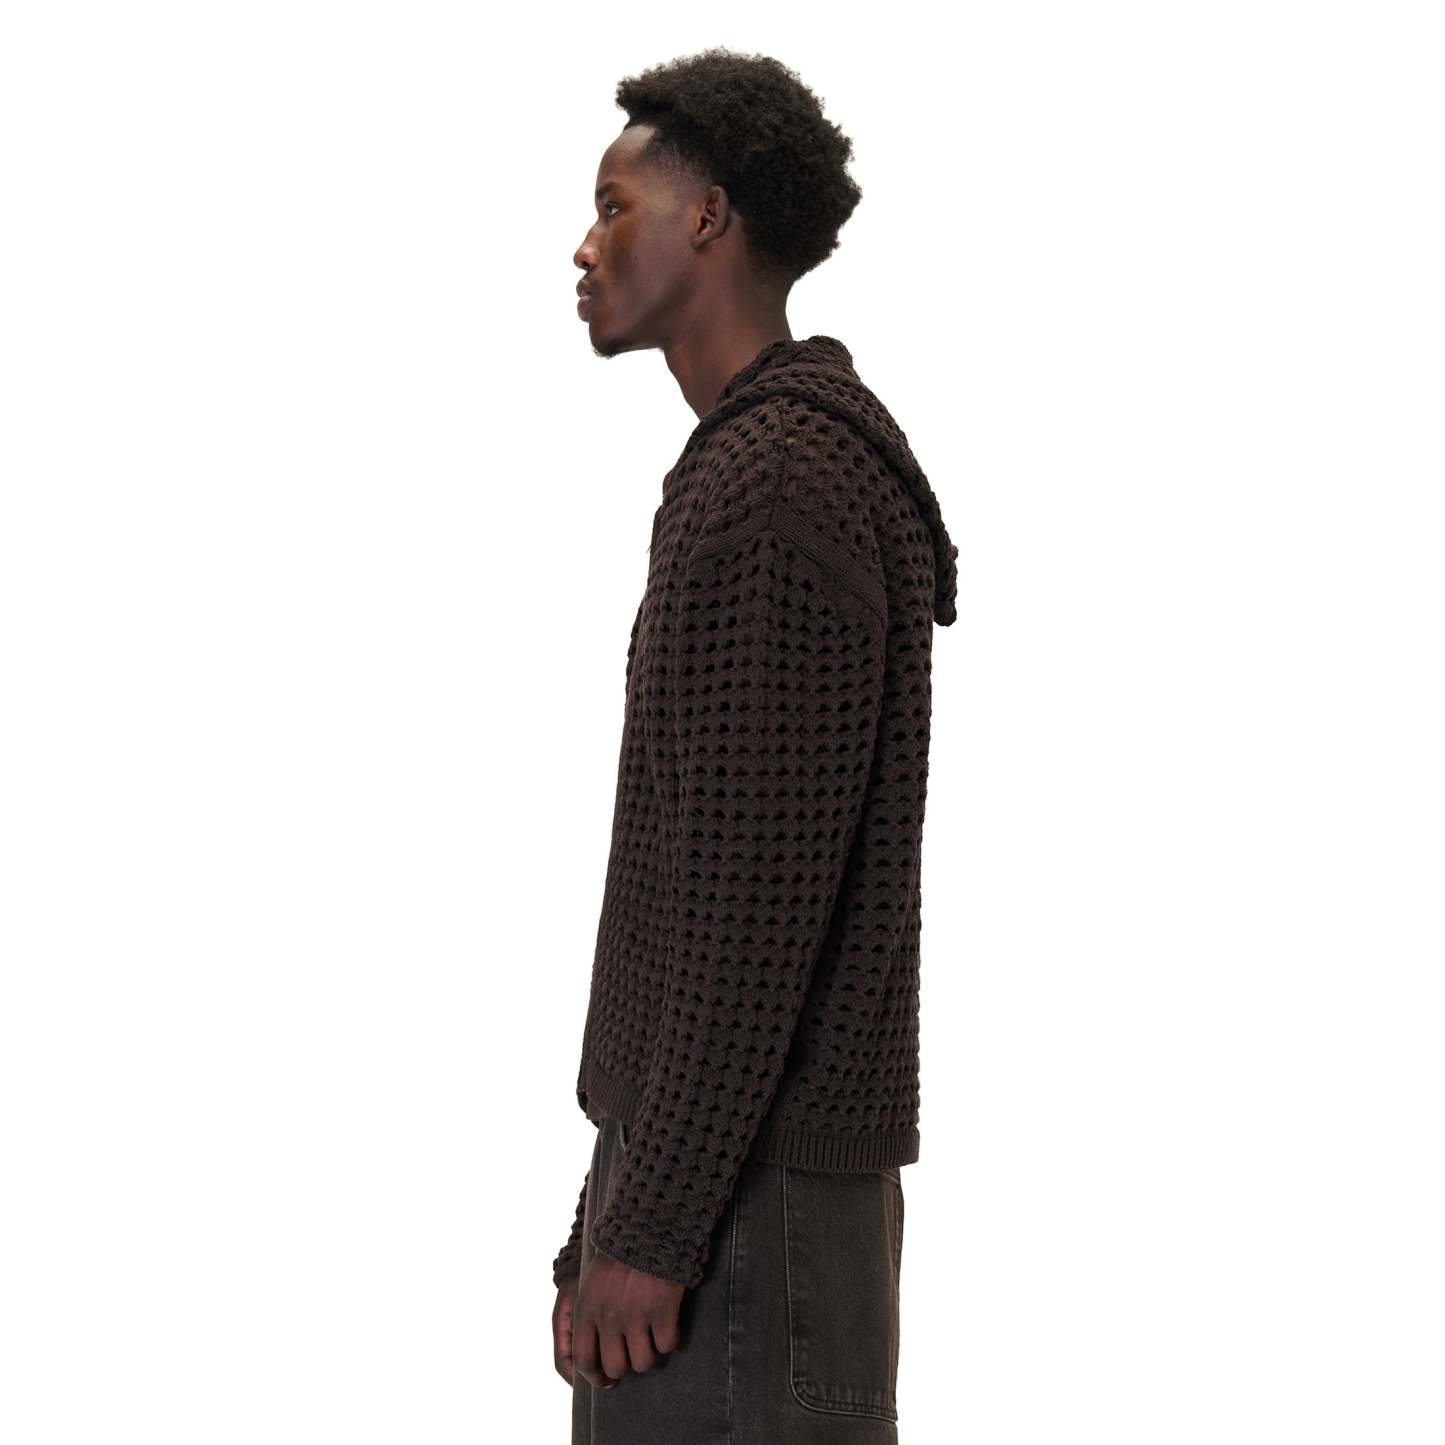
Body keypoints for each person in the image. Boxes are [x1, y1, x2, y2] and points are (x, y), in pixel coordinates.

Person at [551, 47, 958, 1444]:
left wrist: (650, 1226)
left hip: (744, 1225)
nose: (585, 246)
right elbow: (695, 901)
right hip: (719, 1196)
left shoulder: (779, 485)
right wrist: (607, 1205)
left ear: (709, 217)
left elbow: (752, 915)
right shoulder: (756, 468)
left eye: (615, 207)